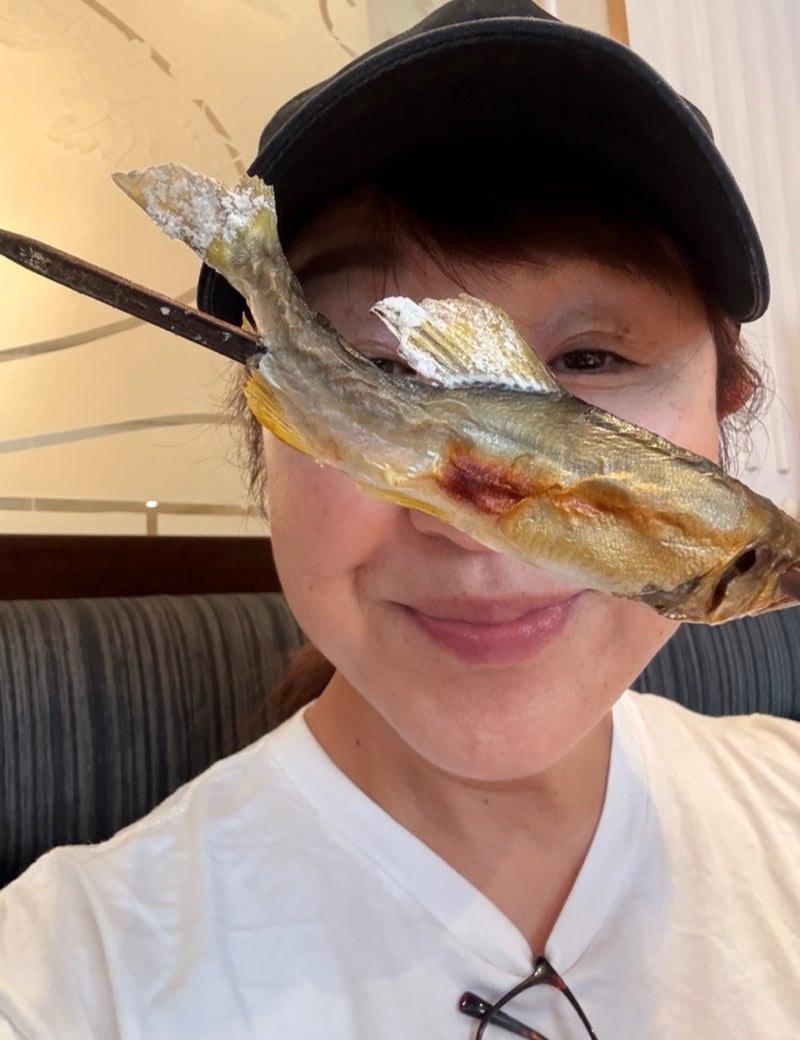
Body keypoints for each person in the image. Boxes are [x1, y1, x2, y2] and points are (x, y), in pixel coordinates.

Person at [0, 1, 798, 1037]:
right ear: (268, 430)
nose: (474, 526)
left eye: (591, 358)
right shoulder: (71, 977)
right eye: (375, 369)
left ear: (725, 409)